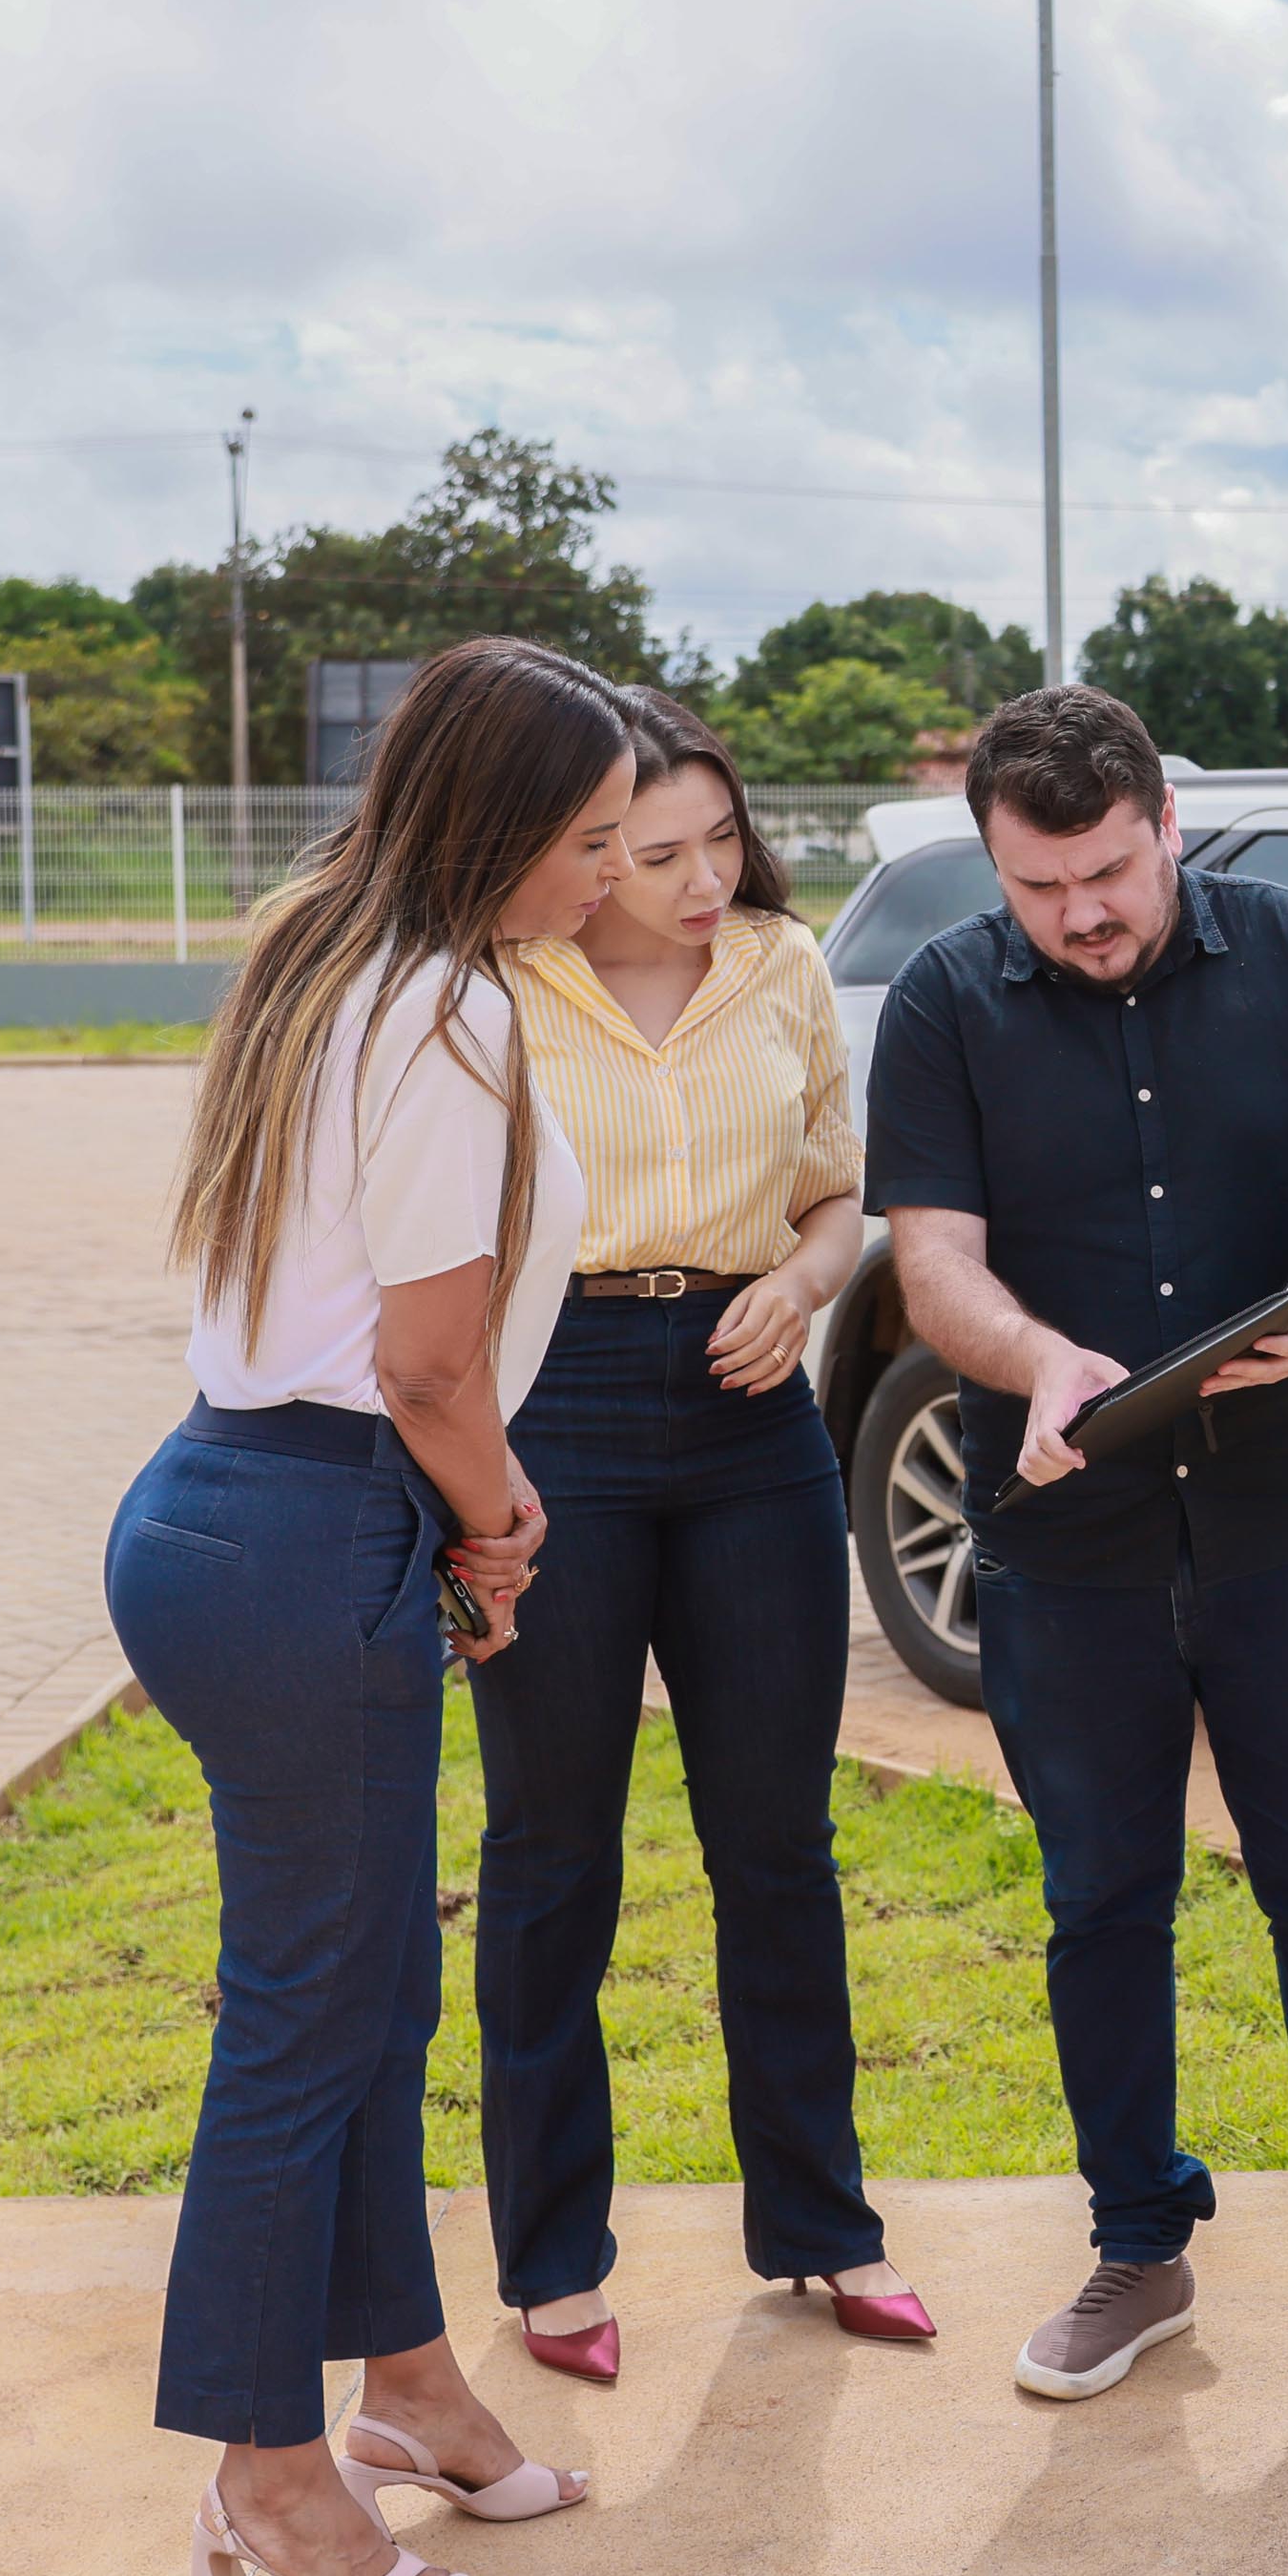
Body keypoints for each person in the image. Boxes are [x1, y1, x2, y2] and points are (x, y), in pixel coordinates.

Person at [859, 683, 1288, 2405]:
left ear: (1165, 828)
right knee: (1098, 1900)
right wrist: (1035, 1354)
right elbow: (934, 1267)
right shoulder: (940, 1003)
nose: (1083, 916)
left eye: (1111, 873)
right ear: (996, 866)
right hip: (1069, 1538)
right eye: (1039, 888)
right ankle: (1139, 2248)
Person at [106, 635, 632, 2576]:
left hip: (243, 1508)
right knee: (306, 2020)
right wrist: (502, 1522)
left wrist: (457, 1522)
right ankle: (263, 2463)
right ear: (496, 826)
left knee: (363, 1999)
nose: (605, 874)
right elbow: (425, 1360)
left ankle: (403, 2380)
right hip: (313, 1525)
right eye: (584, 839)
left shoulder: (331, 952)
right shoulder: (442, 1014)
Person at [472, 688, 924, 2385]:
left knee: (775, 1846)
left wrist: (808, 1285)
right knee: (550, 1856)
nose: (695, 878)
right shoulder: (495, 984)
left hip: (752, 1417)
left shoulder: (782, 971)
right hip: (555, 1404)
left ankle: (823, 2224)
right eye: (650, 850)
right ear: (572, 852)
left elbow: (833, 1186)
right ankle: (551, 2261)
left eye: (719, 840)